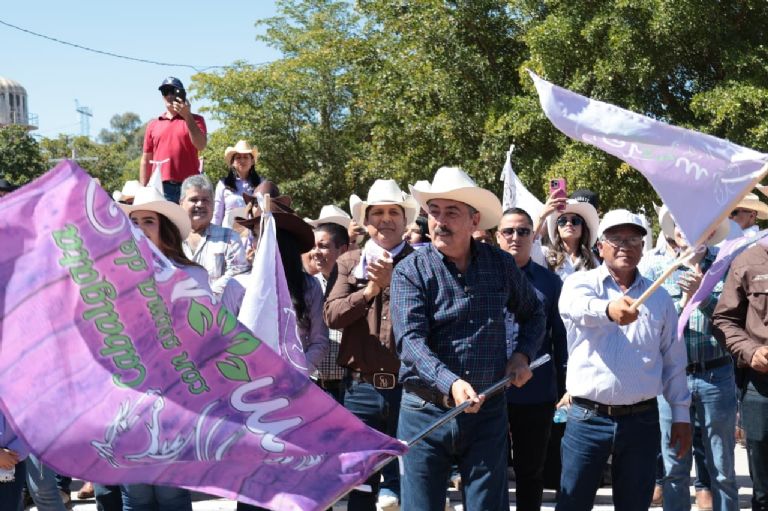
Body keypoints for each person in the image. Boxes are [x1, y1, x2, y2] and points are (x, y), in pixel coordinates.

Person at [391, 166, 545, 511]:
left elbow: (535, 313)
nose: (440, 221)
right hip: (425, 410)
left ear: (475, 221)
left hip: (487, 411)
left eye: (452, 212)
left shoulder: (500, 264)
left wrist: (522, 355)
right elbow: (410, 341)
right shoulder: (409, 270)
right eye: (434, 212)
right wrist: (451, 382)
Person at [556, 209, 691, 511]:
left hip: (641, 420)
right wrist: (609, 311)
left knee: (634, 505)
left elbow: (673, 359)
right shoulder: (580, 283)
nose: (624, 246)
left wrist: (681, 415)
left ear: (643, 248)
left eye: (633, 239)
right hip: (587, 419)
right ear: (600, 246)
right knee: (572, 503)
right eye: (615, 239)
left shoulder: (659, 299)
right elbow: (575, 307)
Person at [324, 179, 418, 510]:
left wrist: (396, 283)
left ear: (405, 221)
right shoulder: (348, 262)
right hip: (360, 390)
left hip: (411, 390)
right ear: (366, 220)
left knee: (410, 482)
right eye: (377, 212)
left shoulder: (423, 262)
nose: (386, 219)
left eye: (394, 211)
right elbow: (332, 316)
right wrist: (369, 291)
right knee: (360, 486)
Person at [118, 185, 211, 511]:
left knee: (171, 494)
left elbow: (205, 337)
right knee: (136, 494)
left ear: (165, 229)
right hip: (128, 397)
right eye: (135, 222)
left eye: (149, 221)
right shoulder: (114, 276)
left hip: (177, 397)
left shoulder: (192, 276)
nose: (140, 229)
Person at [640, 209, 738, 511]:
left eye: (694, 222)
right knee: (674, 467)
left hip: (716, 374)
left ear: (710, 231)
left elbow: (732, 321)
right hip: (673, 378)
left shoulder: (724, 265)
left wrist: (703, 297)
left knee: (721, 467)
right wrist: (681, 303)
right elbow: (652, 324)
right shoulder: (656, 269)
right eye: (679, 223)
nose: (686, 229)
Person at [496, 207, 567, 511]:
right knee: (491, 470)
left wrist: (566, 386)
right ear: (497, 236)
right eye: (508, 231)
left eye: (523, 231)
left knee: (531, 470)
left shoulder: (550, 283)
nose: (515, 237)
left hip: (536, 391)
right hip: (489, 390)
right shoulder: (483, 277)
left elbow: (561, 339)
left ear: (533, 235)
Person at [222, 191, 330, 377]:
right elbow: (224, 339)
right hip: (247, 384)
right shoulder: (237, 285)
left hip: (295, 385)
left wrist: (298, 371)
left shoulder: (309, 286)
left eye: (262, 235)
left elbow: (319, 340)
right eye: (255, 236)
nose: (255, 243)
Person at [712, 239, 768, 511]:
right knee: (765, 487)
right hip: (762, 386)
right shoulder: (748, 260)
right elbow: (724, 320)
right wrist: (751, 351)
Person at [306, 210, 351, 402]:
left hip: (348, 388)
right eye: (313, 246)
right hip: (314, 384)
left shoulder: (356, 285)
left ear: (342, 250)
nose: (315, 252)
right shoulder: (308, 285)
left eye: (323, 246)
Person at [140, 77, 207, 203]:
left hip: (189, 186)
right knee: (165, 223)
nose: (169, 95)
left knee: (188, 223)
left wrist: (187, 115)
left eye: (173, 91)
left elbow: (201, 145)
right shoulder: (153, 124)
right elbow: (146, 159)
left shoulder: (196, 120)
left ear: (182, 94)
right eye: (165, 92)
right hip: (160, 186)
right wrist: (143, 189)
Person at [180, 175, 249, 296]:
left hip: (220, 311)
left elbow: (238, 275)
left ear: (213, 205)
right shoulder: (170, 240)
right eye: (194, 199)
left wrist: (206, 296)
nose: (200, 204)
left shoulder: (229, 238)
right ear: (181, 204)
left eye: (205, 200)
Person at [541, 198, 600, 280]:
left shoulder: (593, 261)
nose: (569, 224)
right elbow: (529, 244)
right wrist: (542, 216)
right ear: (557, 229)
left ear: (583, 228)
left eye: (575, 221)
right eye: (562, 221)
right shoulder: (545, 255)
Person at [213, 141, 262, 228]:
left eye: (246, 157)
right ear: (232, 162)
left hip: (253, 235)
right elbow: (217, 215)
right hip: (229, 236)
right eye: (238, 157)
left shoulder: (261, 183)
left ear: (252, 161)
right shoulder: (223, 184)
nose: (242, 160)